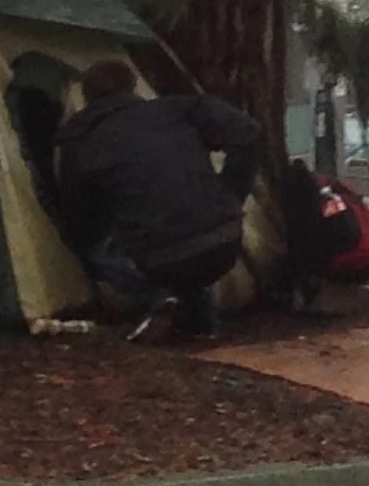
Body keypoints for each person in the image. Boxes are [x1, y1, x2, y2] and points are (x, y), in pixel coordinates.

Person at [54, 59, 265, 342]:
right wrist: (231, 194)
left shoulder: (82, 145)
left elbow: (82, 216)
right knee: (189, 239)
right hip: (224, 239)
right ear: (133, 86)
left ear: (86, 98)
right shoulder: (178, 109)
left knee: (100, 248)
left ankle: (156, 297)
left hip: (162, 256)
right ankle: (199, 324)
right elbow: (248, 132)